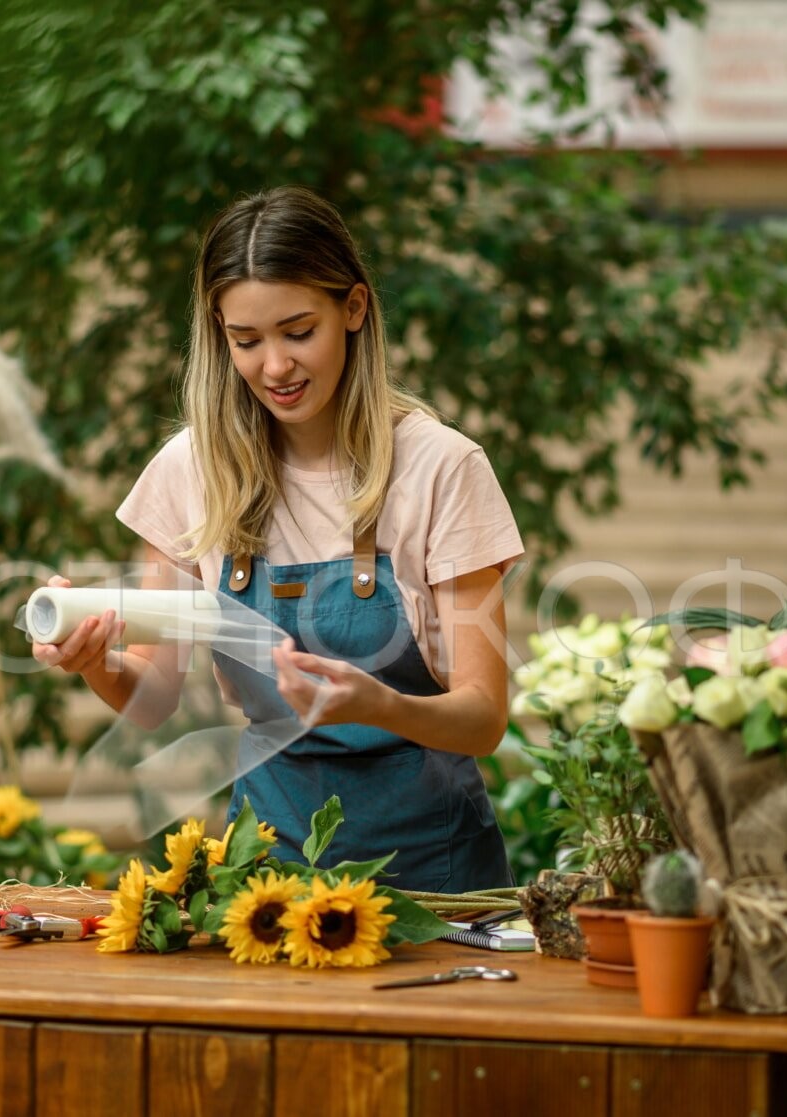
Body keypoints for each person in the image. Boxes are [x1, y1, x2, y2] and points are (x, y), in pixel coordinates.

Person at [32, 186, 520, 893]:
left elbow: (483, 717)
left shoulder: (441, 467)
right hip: (263, 880)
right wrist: (94, 661)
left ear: (353, 309)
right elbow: (154, 697)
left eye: (298, 332)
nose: (275, 367)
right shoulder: (190, 471)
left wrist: (378, 703)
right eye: (246, 340)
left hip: (433, 881)